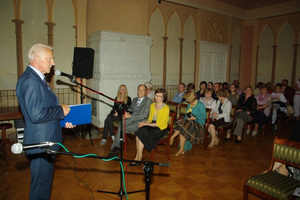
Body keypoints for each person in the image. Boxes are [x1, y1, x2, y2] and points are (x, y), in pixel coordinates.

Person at [16, 43, 74, 200]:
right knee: (40, 187)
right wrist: (60, 110)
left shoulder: (37, 79)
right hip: (40, 142)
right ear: (37, 59)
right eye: (50, 59)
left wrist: (63, 121)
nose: (53, 63)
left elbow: (44, 112)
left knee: (43, 184)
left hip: (45, 141)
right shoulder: (30, 80)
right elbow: (36, 115)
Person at [106, 84, 152, 158]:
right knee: (122, 124)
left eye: (143, 90)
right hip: (132, 119)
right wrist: (126, 112)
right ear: (137, 91)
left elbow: (144, 116)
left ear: (146, 92)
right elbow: (131, 109)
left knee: (121, 127)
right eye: (139, 90)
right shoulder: (135, 99)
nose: (140, 92)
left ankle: (115, 148)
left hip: (140, 122)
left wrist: (130, 116)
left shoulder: (148, 102)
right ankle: (117, 147)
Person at [129, 88, 170, 166]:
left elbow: (159, 124)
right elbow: (149, 119)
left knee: (143, 131)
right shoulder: (152, 105)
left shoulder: (166, 108)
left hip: (161, 129)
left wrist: (146, 124)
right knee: (139, 131)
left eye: (160, 96)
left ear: (163, 98)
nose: (157, 98)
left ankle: (139, 157)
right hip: (152, 125)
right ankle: (138, 156)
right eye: (156, 96)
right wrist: (143, 123)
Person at [169, 91, 206, 156]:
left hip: (199, 124)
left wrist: (194, 118)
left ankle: (172, 137)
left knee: (185, 125)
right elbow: (187, 115)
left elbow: (204, 116)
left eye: (187, 99)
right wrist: (184, 119)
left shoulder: (200, 105)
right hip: (190, 122)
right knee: (184, 125)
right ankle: (181, 149)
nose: (186, 100)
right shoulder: (189, 104)